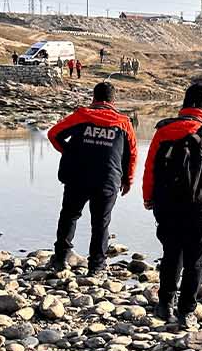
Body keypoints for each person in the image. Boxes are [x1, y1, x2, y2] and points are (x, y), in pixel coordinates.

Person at [141, 83, 202, 326]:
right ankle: (186, 312)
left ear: (185, 103)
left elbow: (150, 167)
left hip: (168, 206)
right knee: (195, 260)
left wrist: (148, 197)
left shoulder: (165, 130)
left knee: (171, 254)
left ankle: (164, 306)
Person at [46, 81, 137, 275]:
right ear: (113, 100)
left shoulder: (81, 116)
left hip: (77, 176)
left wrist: (69, 152)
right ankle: (96, 266)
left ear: (94, 98)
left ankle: (61, 259)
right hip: (108, 179)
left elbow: (53, 134)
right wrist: (128, 180)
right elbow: (132, 155)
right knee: (101, 222)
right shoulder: (124, 123)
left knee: (69, 215)